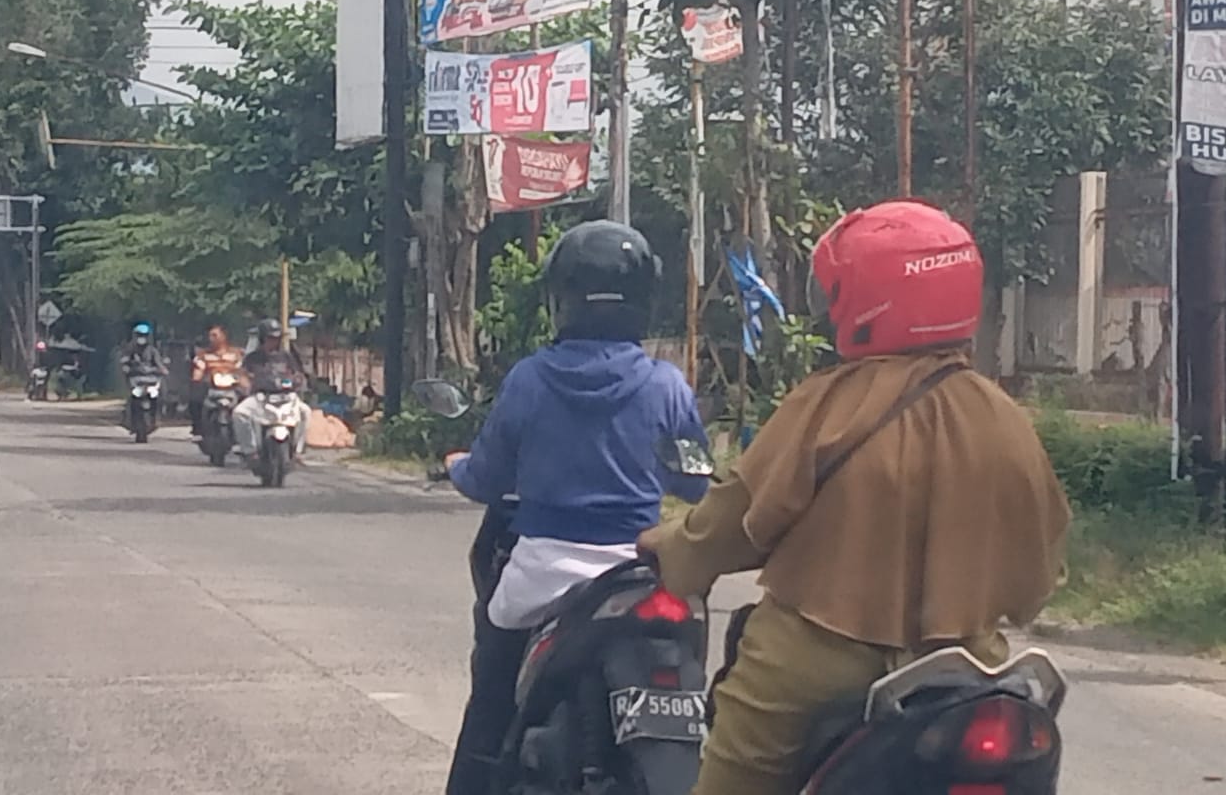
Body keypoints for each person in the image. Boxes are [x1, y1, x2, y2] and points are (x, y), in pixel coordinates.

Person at [638, 200, 1072, 795]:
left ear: (871, 300)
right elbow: (1037, 567)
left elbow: (738, 516)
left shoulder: (826, 404)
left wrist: (673, 552)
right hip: (965, 663)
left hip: (814, 658)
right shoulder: (1005, 420)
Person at [442, 221, 709, 795]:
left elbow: (485, 478)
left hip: (541, 576)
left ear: (560, 298)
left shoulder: (529, 379)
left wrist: (454, 466)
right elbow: (695, 485)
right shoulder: (667, 385)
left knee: (490, 692)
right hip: (641, 575)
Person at [233, 318, 311, 460]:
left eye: (276, 338)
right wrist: (244, 383)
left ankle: (298, 450)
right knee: (239, 413)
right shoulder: (253, 358)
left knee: (305, 412)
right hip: (260, 397)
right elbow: (242, 374)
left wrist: (299, 381)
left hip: (286, 396)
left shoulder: (287, 357)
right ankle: (250, 450)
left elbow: (297, 373)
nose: (273, 341)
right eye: (270, 338)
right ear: (262, 338)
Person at [189, 324, 243, 437]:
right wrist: (197, 377)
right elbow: (198, 369)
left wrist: (243, 380)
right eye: (210, 336)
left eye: (215, 335)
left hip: (232, 386)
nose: (211, 338)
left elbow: (242, 370)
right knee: (195, 399)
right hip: (210, 386)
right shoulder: (203, 355)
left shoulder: (235, 354)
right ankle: (198, 430)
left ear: (224, 336)